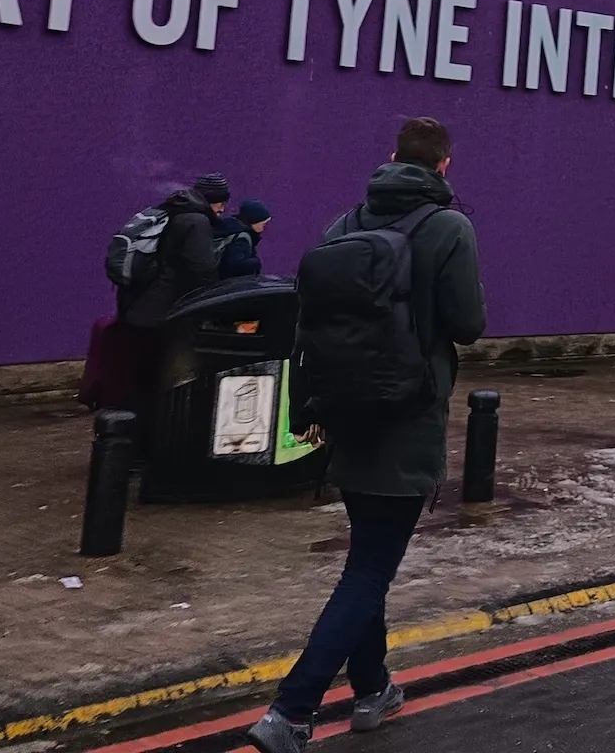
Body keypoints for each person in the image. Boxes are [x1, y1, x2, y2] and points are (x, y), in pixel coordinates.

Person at [248, 117, 487, 753]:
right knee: (369, 569)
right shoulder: (449, 227)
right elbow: (468, 324)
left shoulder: (343, 226)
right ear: (443, 168)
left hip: (346, 416)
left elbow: (309, 328)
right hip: (408, 417)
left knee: (367, 559)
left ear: (389, 159)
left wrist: (307, 410)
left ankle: (373, 688)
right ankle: (292, 712)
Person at [110, 174, 228, 414]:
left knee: (139, 376)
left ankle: (129, 428)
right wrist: (215, 305)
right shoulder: (196, 221)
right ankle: (150, 432)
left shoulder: (171, 211)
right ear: (217, 201)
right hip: (163, 312)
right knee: (163, 378)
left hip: (138, 306)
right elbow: (201, 269)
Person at [216, 198, 271, 278]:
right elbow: (234, 265)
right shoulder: (242, 238)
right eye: (263, 223)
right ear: (254, 220)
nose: (264, 227)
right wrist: (255, 262)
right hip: (231, 284)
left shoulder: (230, 229)